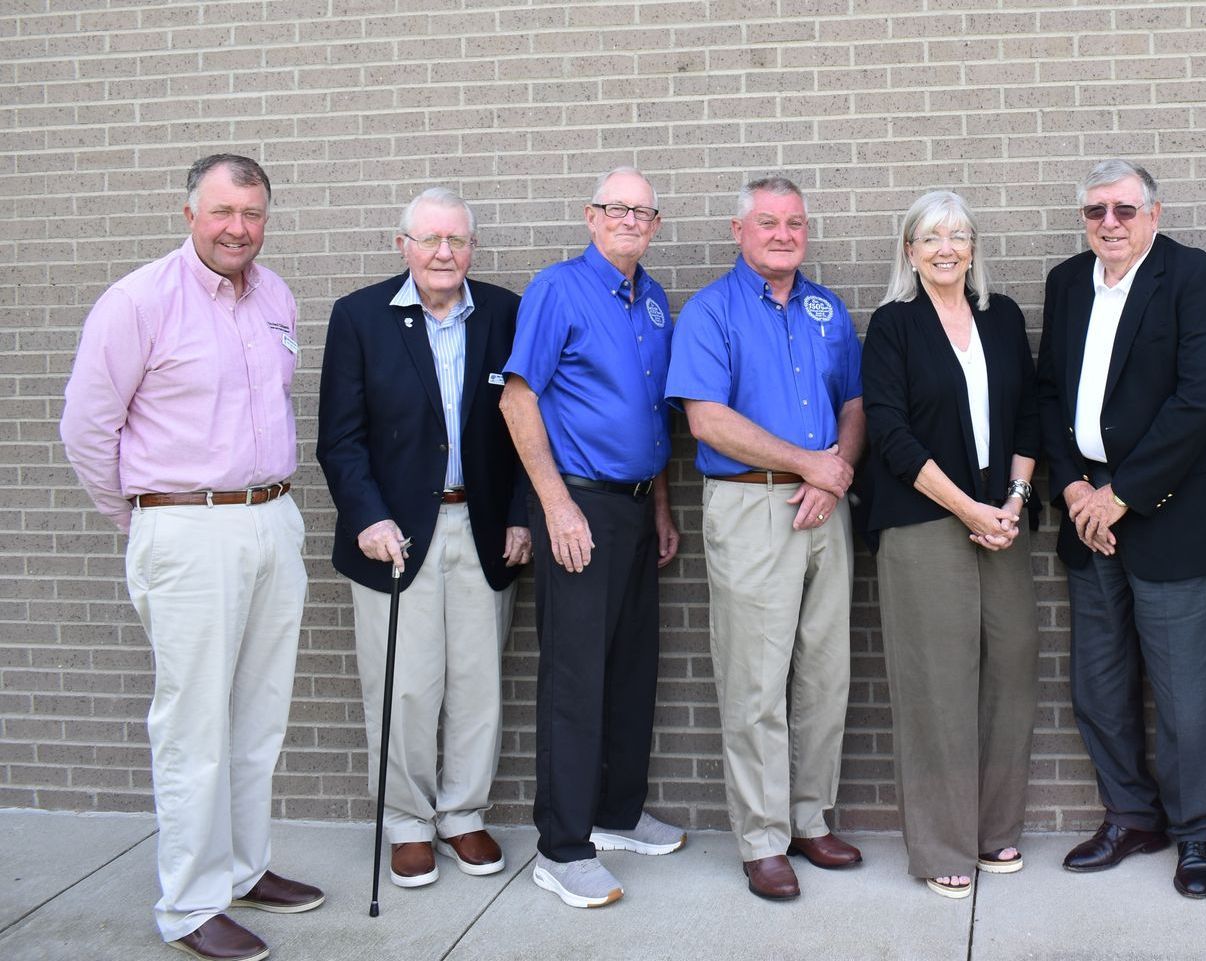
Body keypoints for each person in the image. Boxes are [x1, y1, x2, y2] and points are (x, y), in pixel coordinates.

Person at [61, 154, 322, 961]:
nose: (237, 228)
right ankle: (189, 902)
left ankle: (244, 868)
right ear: (189, 215)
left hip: (271, 517)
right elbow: (86, 429)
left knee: (258, 716)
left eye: (252, 213)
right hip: (186, 526)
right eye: (221, 212)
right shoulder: (138, 301)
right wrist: (149, 521)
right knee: (195, 725)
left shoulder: (274, 295)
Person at [1034, 159, 1206, 900]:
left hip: (1171, 512)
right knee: (1097, 683)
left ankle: (1194, 833)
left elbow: (1200, 399)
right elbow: (1049, 392)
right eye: (1095, 211)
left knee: (1186, 695)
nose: (1110, 223)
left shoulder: (1195, 278)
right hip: (1087, 509)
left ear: (1152, 213)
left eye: (1124, 209)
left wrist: (1120, 493)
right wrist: (1071, 486)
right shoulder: (1067, 282)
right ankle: (1130, 814)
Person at [316, 187, 530, 889]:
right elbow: (340, 439)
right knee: (404, 686)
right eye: (431, 239)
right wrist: (366, 515)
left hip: (482, 523)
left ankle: (463, 814)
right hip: (393, 533)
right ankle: (407, 822)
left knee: (477, 682)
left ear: (472, 248)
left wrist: (524, 514)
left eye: (458, 241)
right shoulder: (359, 317)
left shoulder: (504, 311)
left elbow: (531, 423)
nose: (445, 253)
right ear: (402, 244)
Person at [664, 175, 865, 901]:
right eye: (768, 222)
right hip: (750, 509)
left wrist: (832, 470)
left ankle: (810, 819)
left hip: (824, 506)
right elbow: (706, 421)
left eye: (795, 223)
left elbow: (854, 400)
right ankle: (761, 837)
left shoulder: (825, 306)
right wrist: (808, 462)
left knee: (824, 674)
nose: (783, 234)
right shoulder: (710, 311)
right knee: (754, 682)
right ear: (738, 230)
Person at [500, 166, 684, 909]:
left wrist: (663, 506)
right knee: (576, 678)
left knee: (632, 667)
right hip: (578, 507)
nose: (629, 220)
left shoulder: (656, 300)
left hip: (638, 509)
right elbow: (519, 399)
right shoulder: (557, 289)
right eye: (616, 208)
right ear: (591, 216)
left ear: (655, 224)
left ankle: (615, 812)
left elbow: (655, 415)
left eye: (642, 211)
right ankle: (563, 845)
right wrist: (554, 505)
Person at [860, 190, 1040, 900]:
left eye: (957, 234)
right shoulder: (892, 326)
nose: (945, 247)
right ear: (909, 250)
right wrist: (968, 504)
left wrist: (1014, 501)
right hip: (923, 520)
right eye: (930, 236)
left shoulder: (1001, 319)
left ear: (973, 247)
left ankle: (994, 828)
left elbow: (1028, 413)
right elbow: (890, 432)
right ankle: (941, 841)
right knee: (936, 684)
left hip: (1001, 520)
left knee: (1012, 667)